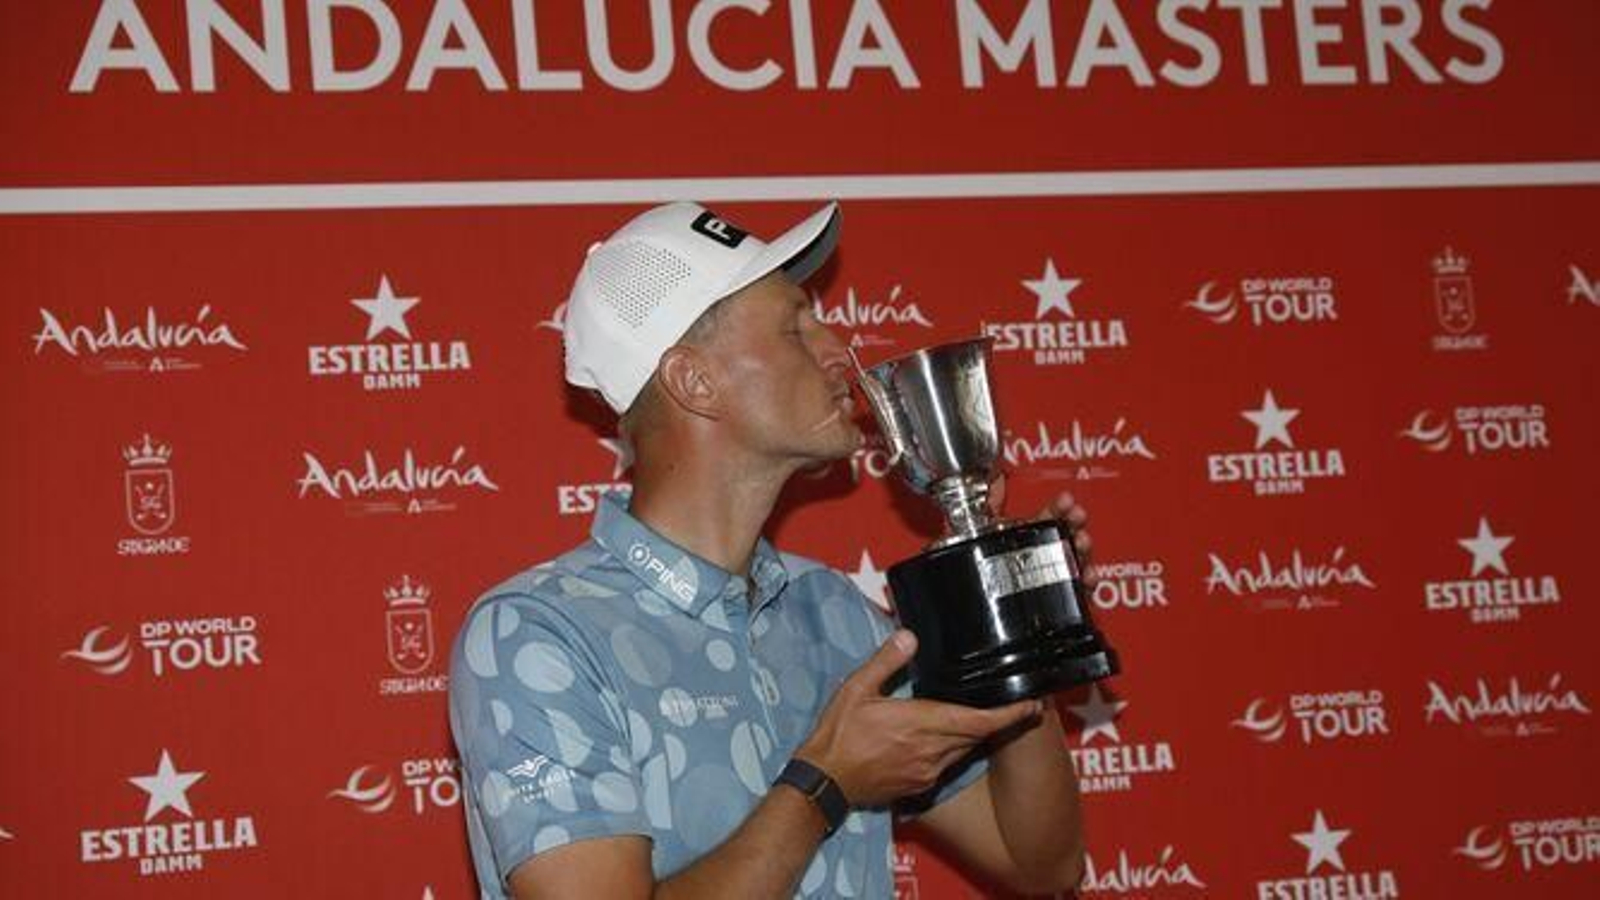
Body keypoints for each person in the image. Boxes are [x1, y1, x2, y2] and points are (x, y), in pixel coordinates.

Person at [448, 201, 1093, 898]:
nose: (840, 350)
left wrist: (1013, 624)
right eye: (795, 327)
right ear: (694, 381)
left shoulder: (835, 613)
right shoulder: (538, 633)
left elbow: (1040, 863)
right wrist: (824, 784)